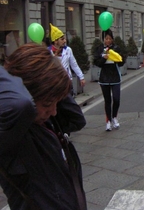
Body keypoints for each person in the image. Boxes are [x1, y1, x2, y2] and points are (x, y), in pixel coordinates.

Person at [0, 43, 87, 210]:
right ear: (28, 96)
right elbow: (21, 104)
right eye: (48, 104)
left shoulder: (47, 122)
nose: (54, 111)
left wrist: (55, 79)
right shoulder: (12, 132)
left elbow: (77, 119)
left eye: (56, 103)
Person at [93, 29, 125, 131]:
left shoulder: (116, 48)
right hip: (104, 78)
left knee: (116, 99)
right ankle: (108, 121)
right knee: (107, 100)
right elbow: (96, 62)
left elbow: (122, 61)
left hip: (115, 77)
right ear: (103, 39)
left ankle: (114, 117)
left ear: (112, 39)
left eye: (110, 39)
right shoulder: (100, 49)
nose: (108, 41)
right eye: (106, 38)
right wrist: (104, 58)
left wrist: (116, 58)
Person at [49, 23, 85, 92]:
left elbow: (74, 65)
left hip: (67, 82)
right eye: (62, 39)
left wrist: (81, 77)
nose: (65, 41)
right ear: (55, 41)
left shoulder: (68, 50)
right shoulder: (48, 52)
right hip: (54, 84)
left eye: (64, 39)